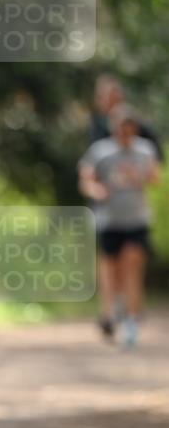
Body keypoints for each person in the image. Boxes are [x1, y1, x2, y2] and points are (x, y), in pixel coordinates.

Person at [78, 104, 161, 347]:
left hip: (137, 220)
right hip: (109, 220)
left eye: (128, 128)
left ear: (134, 129)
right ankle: (110, 313)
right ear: (113, 128)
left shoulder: (145, 151)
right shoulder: (101, 152)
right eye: (119, 128)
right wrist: (97, 190)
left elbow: (155, 178)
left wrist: (140, 177)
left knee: (132, 266)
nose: (124, 133)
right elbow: (86, 179)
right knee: (111, 271)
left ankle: (132, 321)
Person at [90, 74, 163, 161]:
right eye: (110, 99)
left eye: (116, 98)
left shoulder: (139, 125)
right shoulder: (98, 127)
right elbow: (93, 161)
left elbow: (157, 156)